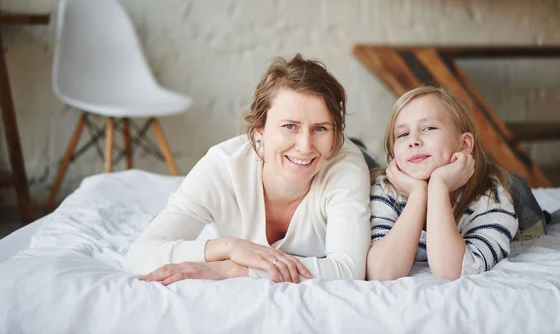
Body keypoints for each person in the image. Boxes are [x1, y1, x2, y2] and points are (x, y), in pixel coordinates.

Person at [124, 54, 371, 285]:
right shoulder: (223, 166)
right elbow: (139, 256)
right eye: (289, 126)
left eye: (320, 128)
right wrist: (230, 248)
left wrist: (230, 269)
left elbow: (349, 269)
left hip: (365, 163)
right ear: (259, 133)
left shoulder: (345, 166)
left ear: (336, 134)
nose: (305, 146)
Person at [366, 86, 519, 281]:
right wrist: (418, 194)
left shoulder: (491, 198)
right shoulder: (385, 190)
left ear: (464, 144)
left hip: (497, 185)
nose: (413, 141)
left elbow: (452, 272)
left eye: (428, 128)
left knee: (526, 203)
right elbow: (381, 272)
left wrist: (438, 186)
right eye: (402, 134)